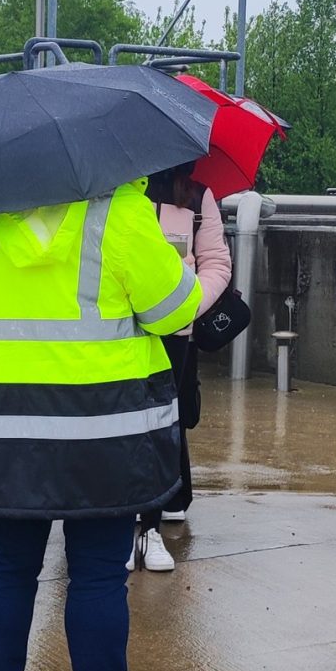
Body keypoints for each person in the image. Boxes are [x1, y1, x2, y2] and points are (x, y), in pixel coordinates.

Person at [0, 175, 199, 671]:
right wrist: (175, 267)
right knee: (97, 576)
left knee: (5, 569)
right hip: (100, 430)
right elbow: (175, 310)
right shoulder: (119, 213)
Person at [130, 165, 232, 571]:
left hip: (174, 331)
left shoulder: (197, 196)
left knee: (163, 419)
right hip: (121, 330)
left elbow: (216, 263)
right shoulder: (121, 190)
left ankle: (155, 518)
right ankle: (124, 515)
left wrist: (186, 307)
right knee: (122, 420)